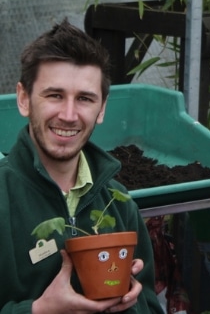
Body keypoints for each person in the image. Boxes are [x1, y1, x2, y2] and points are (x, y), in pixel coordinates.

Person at [0, 19, 163, 313]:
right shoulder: (3, 198)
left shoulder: (119, 203)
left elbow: (151, 303)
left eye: (85, 99)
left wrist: (130, 302)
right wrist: (38, 311)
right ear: (24, 99)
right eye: (54, 95)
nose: (69, 114)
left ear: (101, 109)